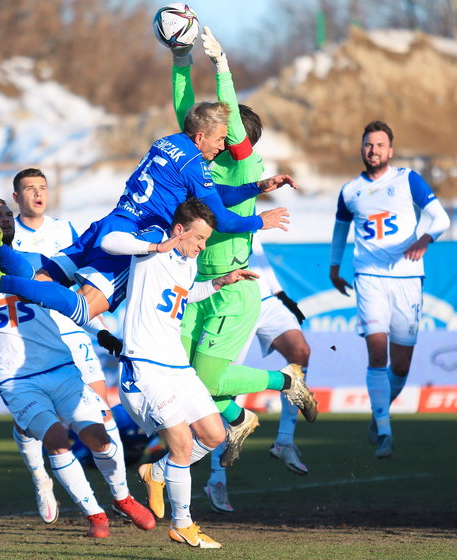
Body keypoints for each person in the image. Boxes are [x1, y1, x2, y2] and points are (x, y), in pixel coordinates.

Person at [0, 101, 298, 324]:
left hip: (112, 219)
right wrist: (259, 222)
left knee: (43, 278)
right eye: (220, 139)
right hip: (139, 234)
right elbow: (219, 218)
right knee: (83, 310)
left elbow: (208, 192)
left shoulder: (169, 143)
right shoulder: (195, 164)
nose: (222, 146)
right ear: (202, 135)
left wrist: (256, 187)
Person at [0, 199, 155, 538]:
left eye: (8, 214)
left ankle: (121, 498)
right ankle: (95, 515)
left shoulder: (37, 264)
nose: (6, 219)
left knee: (100, 440)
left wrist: (99, 332)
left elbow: (65, 306)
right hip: (16, 379)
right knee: (57, 440)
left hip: (62, 368)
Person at [161, 27, 315, 484]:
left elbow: (221, 113)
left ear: (232, 137)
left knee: (205, 382)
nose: (210, 132)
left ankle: (287, 383)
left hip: (233, 285)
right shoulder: (199, 158)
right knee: (181, 378)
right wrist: (180, 58)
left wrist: (224, 68)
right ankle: (239, 419)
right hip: (192, 283)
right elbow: (186, 109)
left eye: (220, 129)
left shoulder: (244, 164)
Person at [106, 198, 257, 549]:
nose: (203, 246)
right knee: (181, 443)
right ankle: (183, 524)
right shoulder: (153, 248)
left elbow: (185, 297)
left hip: (177, 366)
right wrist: (155, 245)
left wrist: (221, 282)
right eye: (199, 239)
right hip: (145, 367)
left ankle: (155, 473)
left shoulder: (188, 264)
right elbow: (109, 241)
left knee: (214, 434)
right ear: (179, 231)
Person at [8, 168, 127, 523]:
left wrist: (101, 329)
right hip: (29, 341)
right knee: (36, 422)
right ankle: (40, 477)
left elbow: (84, 282)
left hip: (74, 331)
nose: (37, 194)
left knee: (102, 412)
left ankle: (122, 496)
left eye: (42, 187)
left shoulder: (66, 230)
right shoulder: (4, 236)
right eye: (29, 189)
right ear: (17, 197)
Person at [329, 120, 451, 459]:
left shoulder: (408, 179)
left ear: (390, 150)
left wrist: (425, 238)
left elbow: (441, 218)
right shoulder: (350, 190)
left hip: (409, 279)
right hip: (368, 278)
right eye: (368, 145)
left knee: (400, 367)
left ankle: (379, 410)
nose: (373, 150)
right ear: (362, 149)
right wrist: (334, 267)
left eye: (380, 145)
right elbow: (340, 231)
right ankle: (385, 431)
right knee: (377, 353)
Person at [204, 236, 314, 511]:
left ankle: (285, 440)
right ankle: (216, 479)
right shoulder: (213, 205)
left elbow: (258, 251)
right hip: (232, 301)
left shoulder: (247, 204)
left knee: (300, 354)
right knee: (223, 386)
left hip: (265, 300)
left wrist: (279, 293)